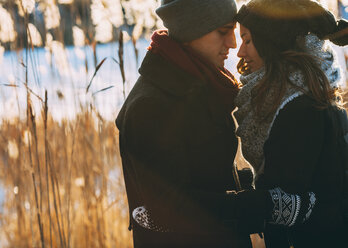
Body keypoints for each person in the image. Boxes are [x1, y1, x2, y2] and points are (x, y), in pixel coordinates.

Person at [116, 0, 317, 247]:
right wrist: (266, 206)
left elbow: (202, 175)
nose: (233, 44)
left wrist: (260, 182)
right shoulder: (152, 106)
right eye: (223, 32)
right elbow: (168, 212)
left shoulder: (194, 84)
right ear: (190, 31)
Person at [234, 0, 348, 247]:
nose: (240, 52)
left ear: (271, 41)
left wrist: (225, 207)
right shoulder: (296, 98)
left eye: (248, 40)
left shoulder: (300, 110)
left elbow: (304, 204)